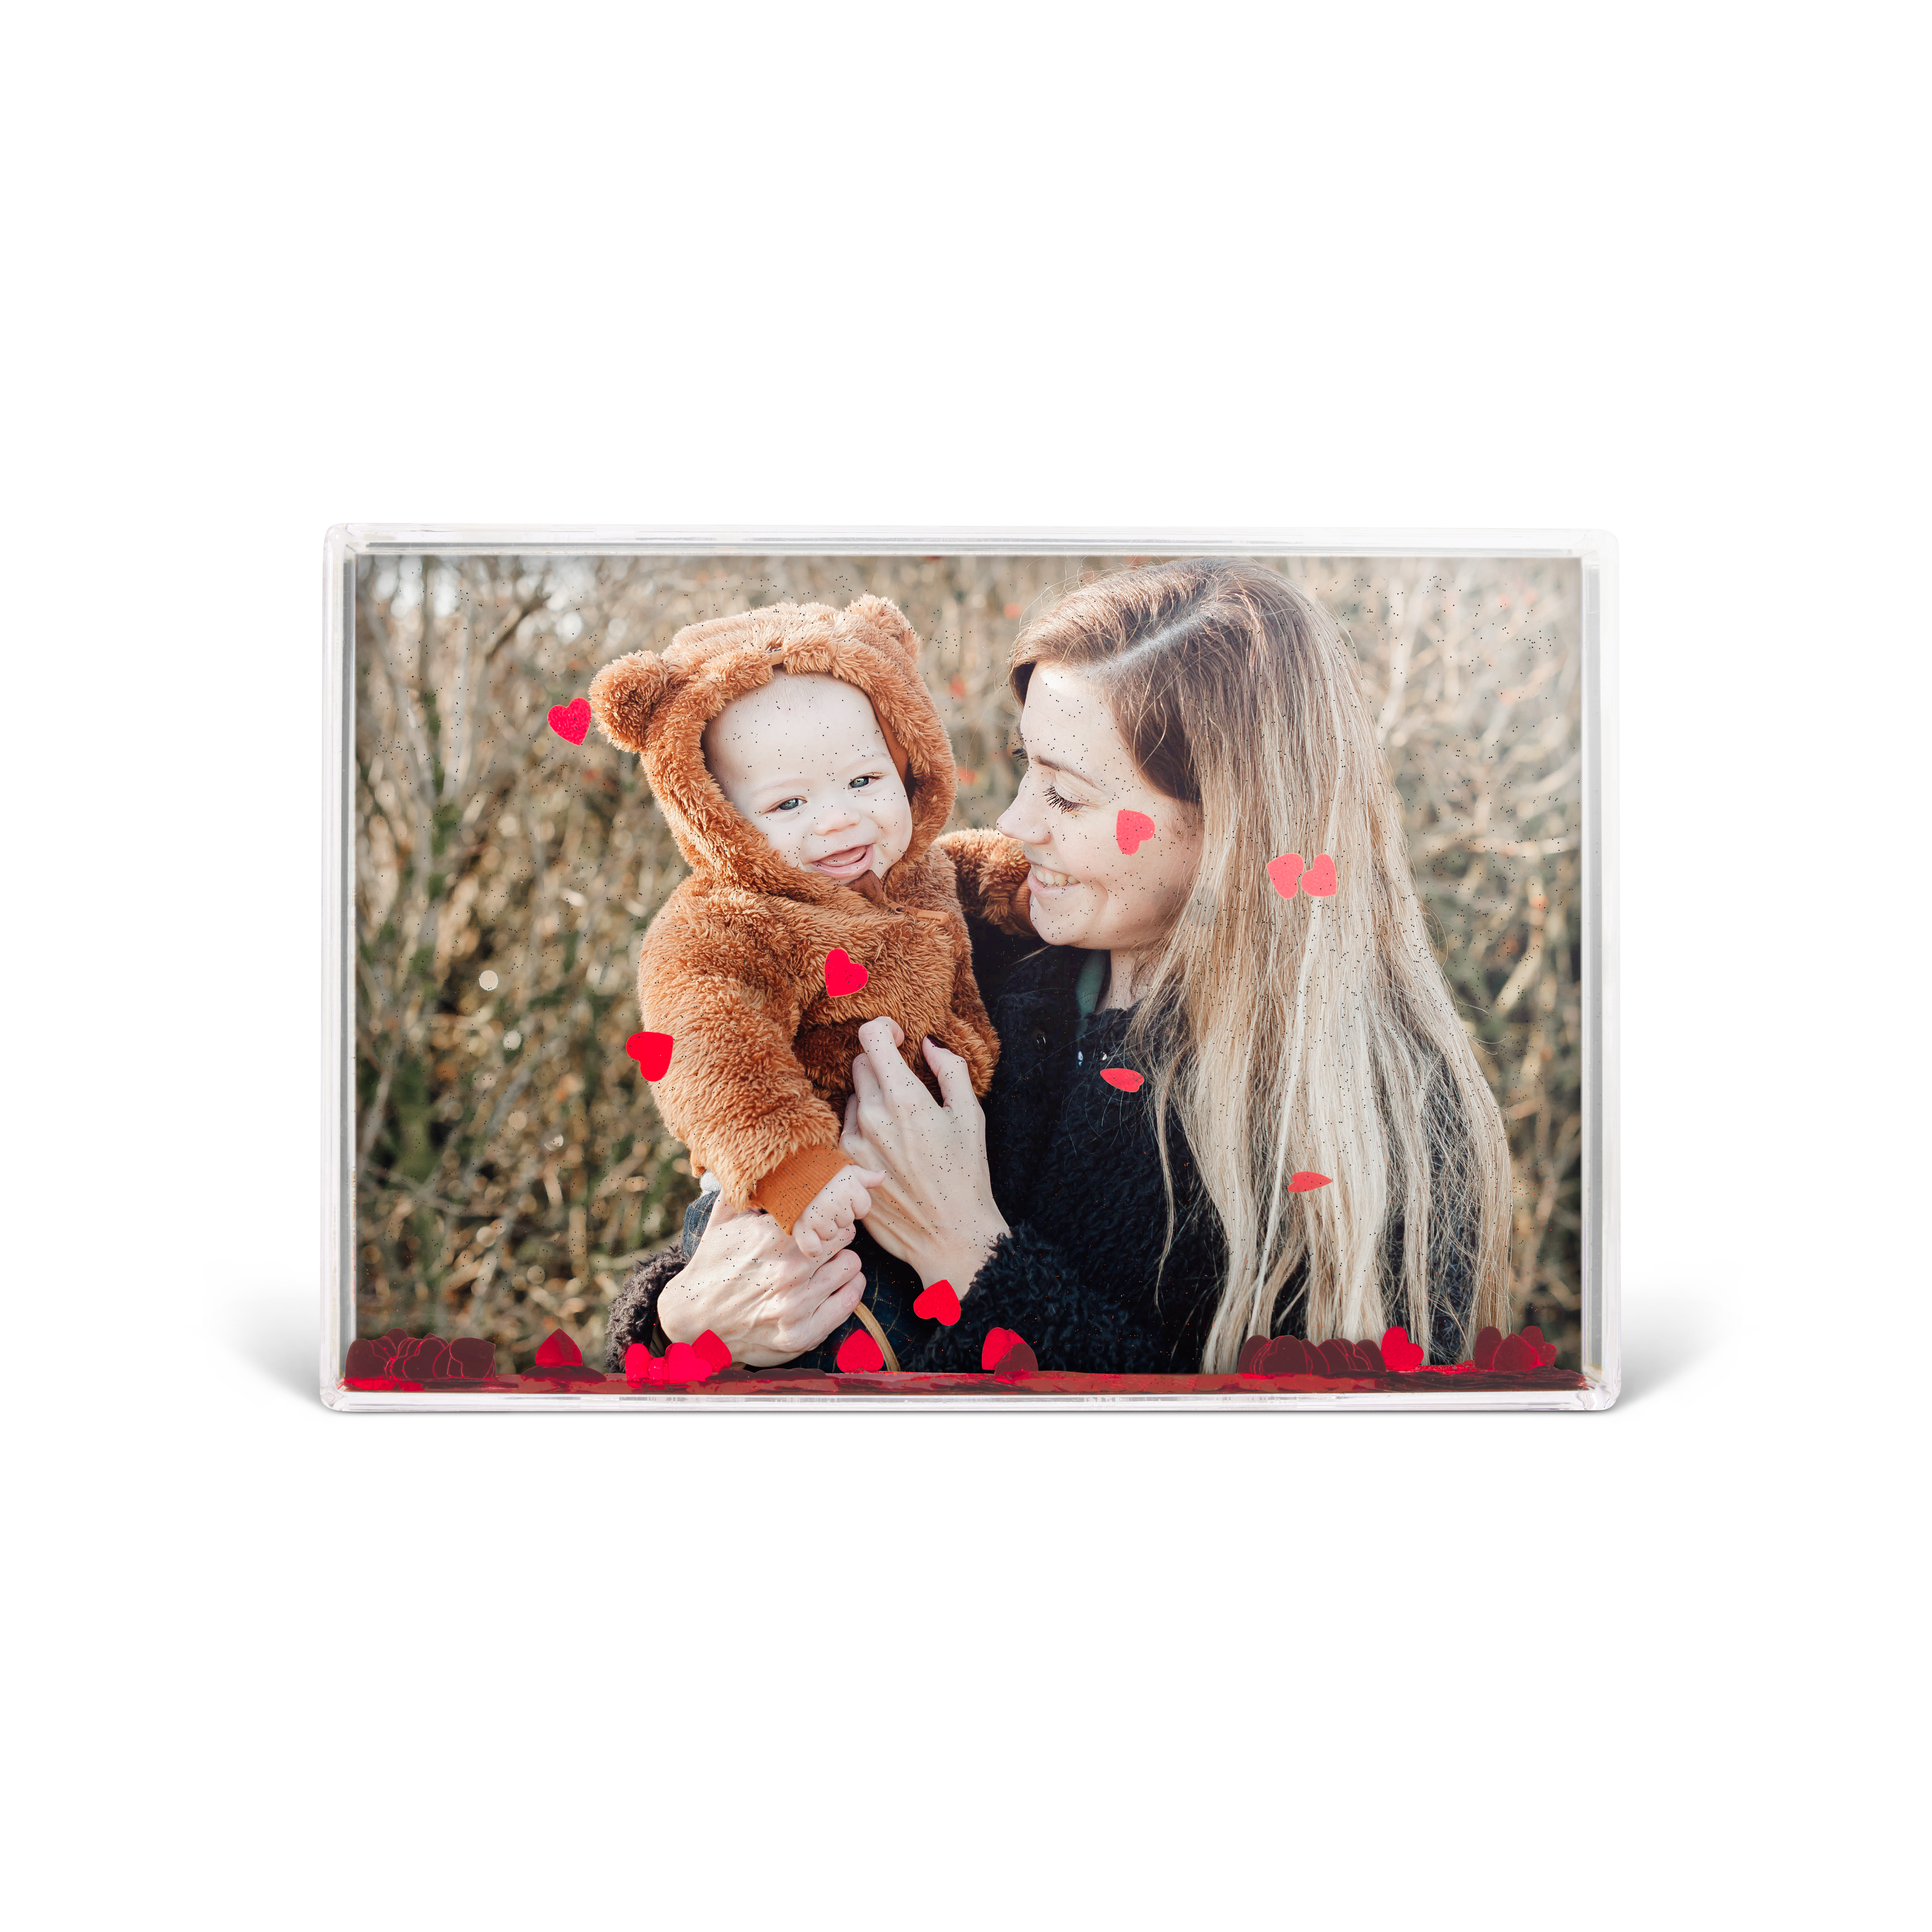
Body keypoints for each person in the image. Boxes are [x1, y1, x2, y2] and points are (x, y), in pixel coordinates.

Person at [607, 559, 1514, 1374]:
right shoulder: (966, 942)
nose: (1012, 822)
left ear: (1233, 829)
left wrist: (969, 1255)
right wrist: (680, 1324)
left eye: (1067, 793)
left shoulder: (1375, 1117)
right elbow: (726, 1215)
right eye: (1023, 767)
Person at [586, 593, 1034, 1372]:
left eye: (864, 780)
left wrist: (1029, 889)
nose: (837, 821)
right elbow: (710, 1053)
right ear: (716, 814)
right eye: (789, 802)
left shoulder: (916, 870)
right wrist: (795, 1172)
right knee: (827, 1354)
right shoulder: (725, 925)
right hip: (793, 1208)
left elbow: (974, 867)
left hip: (914, 1192)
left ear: (905, 764)